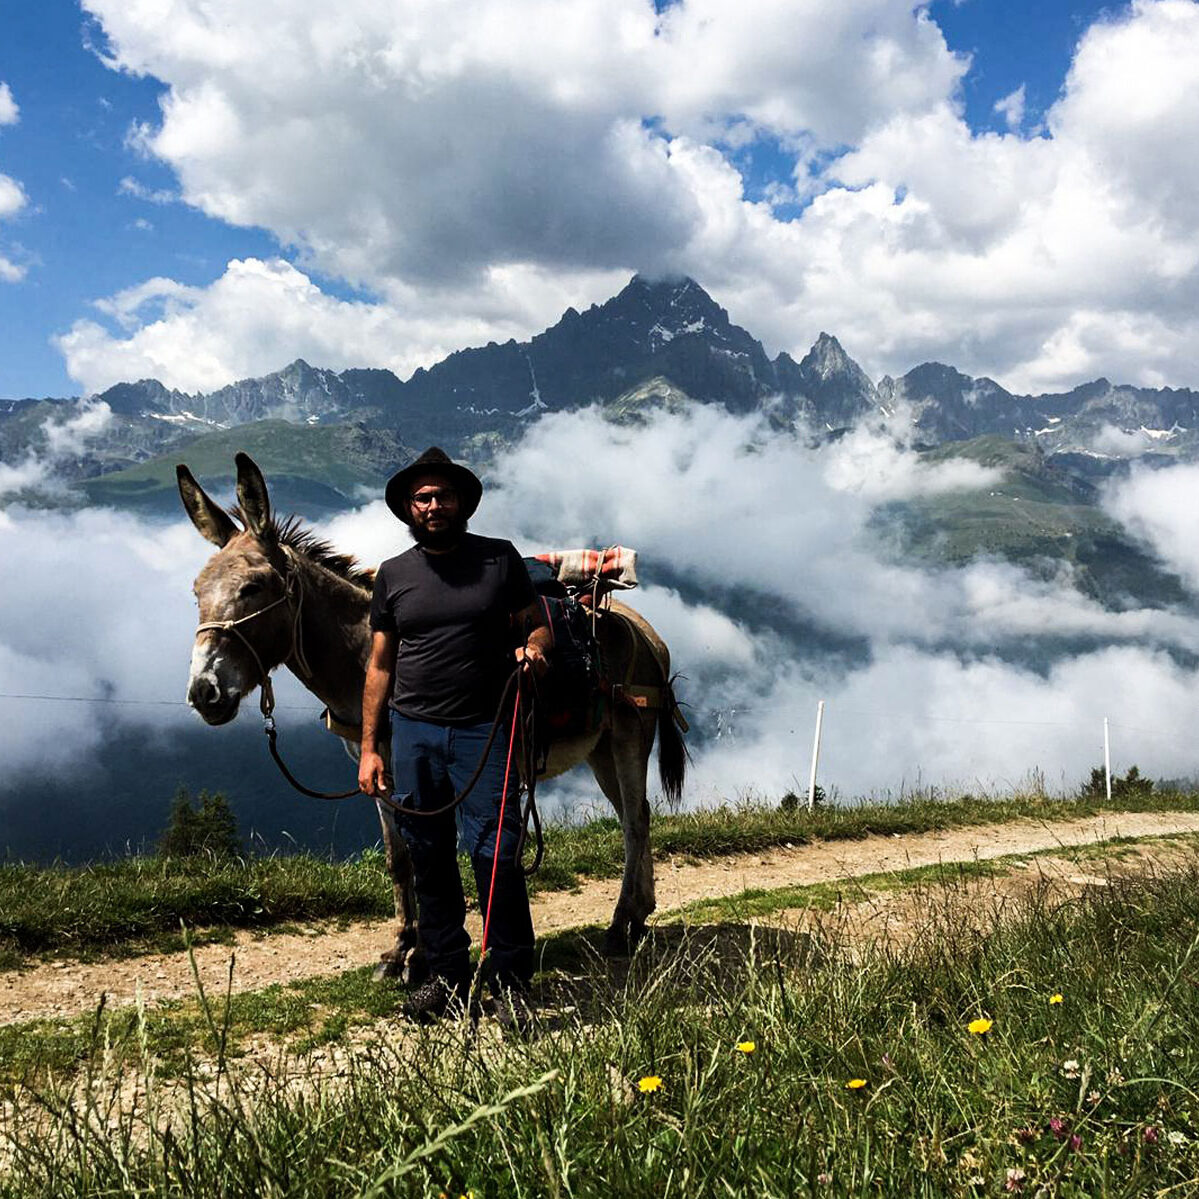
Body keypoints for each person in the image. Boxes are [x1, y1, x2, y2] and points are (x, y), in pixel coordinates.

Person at [358, 446, 551, 1026]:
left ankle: (511, 977)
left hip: (484, 729)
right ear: (408, 509)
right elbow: (380, 666)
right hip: (413, 731)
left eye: (443, 495)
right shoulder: (393, 575)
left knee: (496, 852)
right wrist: (371, 747)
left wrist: (536, 651)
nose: (434, 504)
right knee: (428, 854)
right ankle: (444, 975)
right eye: (423, 497)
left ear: (462, 502)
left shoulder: (499, 560)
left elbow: (537, 624)